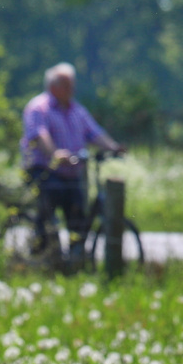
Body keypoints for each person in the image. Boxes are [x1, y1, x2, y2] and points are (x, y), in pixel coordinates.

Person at [21, 63, 124, 255]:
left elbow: (94, 133)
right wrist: (55, 154)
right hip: (45, 171)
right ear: (54, 87)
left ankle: (75, 259)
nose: (72, 90)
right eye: (68, 86)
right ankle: (42, 253)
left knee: (77, 215)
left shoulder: (77, 110)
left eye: (72, 85)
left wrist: (113, 147)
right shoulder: (38, 108)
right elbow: (39, 135)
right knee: (48, 215)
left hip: (72, 173)